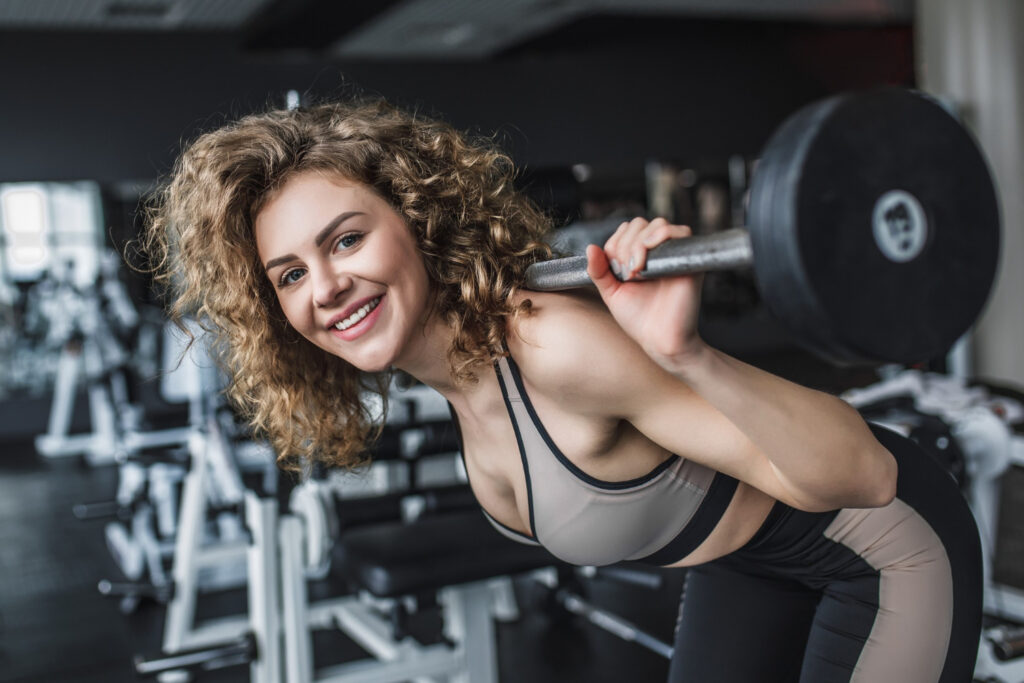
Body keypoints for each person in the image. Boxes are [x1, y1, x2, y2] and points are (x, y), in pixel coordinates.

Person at [142, 98, 982, 682]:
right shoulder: (453, 377)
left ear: (416, 222)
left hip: (882, 545)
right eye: (290, 274)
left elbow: (866, 475)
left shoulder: (547, 343)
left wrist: (687, 354)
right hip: (748, 565)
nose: (325, 287)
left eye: (346, 239)